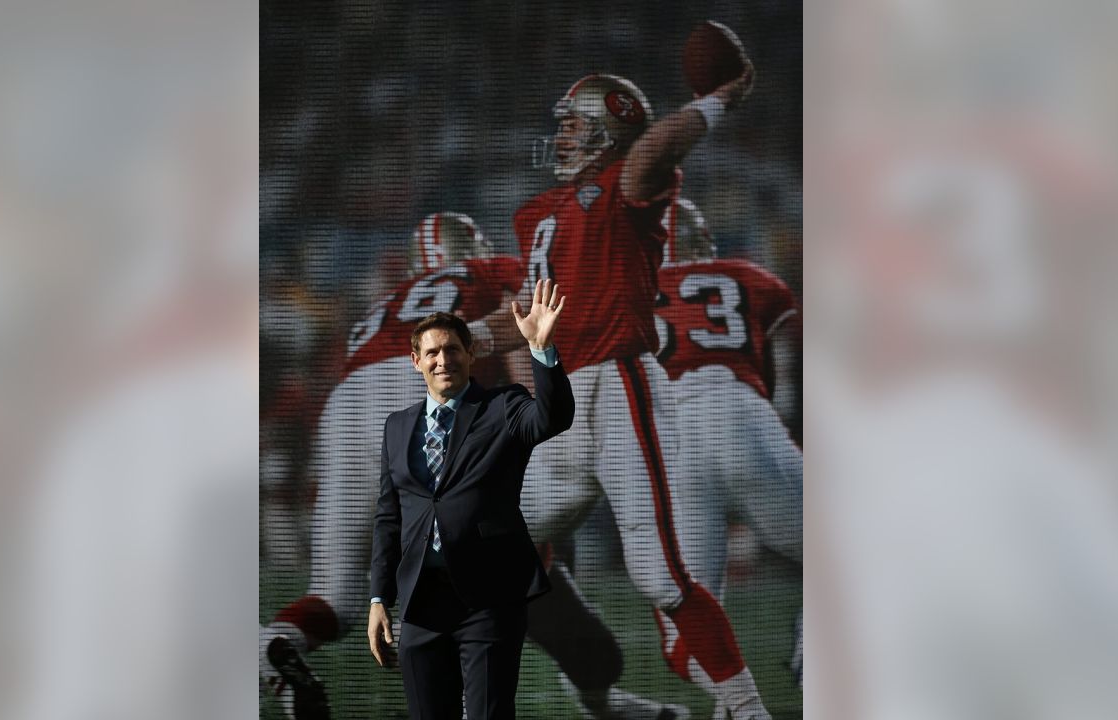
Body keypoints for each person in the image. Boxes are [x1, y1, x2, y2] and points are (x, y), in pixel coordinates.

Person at [260, 214, 685, 719]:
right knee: (536, 504)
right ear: (476, 246)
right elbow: (525, 345)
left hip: (350, 402)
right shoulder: (492, 271)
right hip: (426, 391)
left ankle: (273, 642)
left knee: (338, 592)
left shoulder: (385, 306)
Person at [472, 70, 773, 718]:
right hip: (563, 402)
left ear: (608, 130)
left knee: (662, 576)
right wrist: (460, 339)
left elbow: (655, 148)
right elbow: (528, 313)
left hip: (618, 387)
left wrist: (717, 98)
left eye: (574, 123)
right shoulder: (538, 214)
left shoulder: (624, 184)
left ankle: (747, 711)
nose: (561, 136)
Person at [368, 283, 573, 720]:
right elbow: (389, 518)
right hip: (421, 604)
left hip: (490, 598)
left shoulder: (502, 406)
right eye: (433, 352)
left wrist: (542, 349)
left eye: (454, 349)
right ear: (416, 361)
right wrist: (377, 599)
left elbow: (552, 418)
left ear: (471, 354)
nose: (444, 360)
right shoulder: (397, 426)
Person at [653, 197, 804, 687]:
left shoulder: (628, 288)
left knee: (688, 626)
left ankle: (736, 702)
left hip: (669, 437)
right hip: (736, 407)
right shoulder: (747, 275)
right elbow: (774, 368)